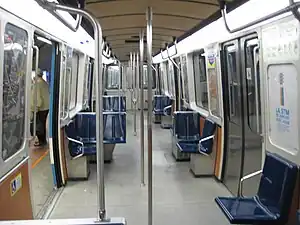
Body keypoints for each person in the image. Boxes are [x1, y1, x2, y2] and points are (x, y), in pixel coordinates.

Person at [30, 69, 50, 147]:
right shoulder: (45, 83)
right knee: (42, 124)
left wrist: (36, 109)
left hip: (40, 108)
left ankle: (41, 141)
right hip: (46, 107)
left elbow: (38, 99)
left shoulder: (37, 84)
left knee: (39, 125)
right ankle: (43, 140)